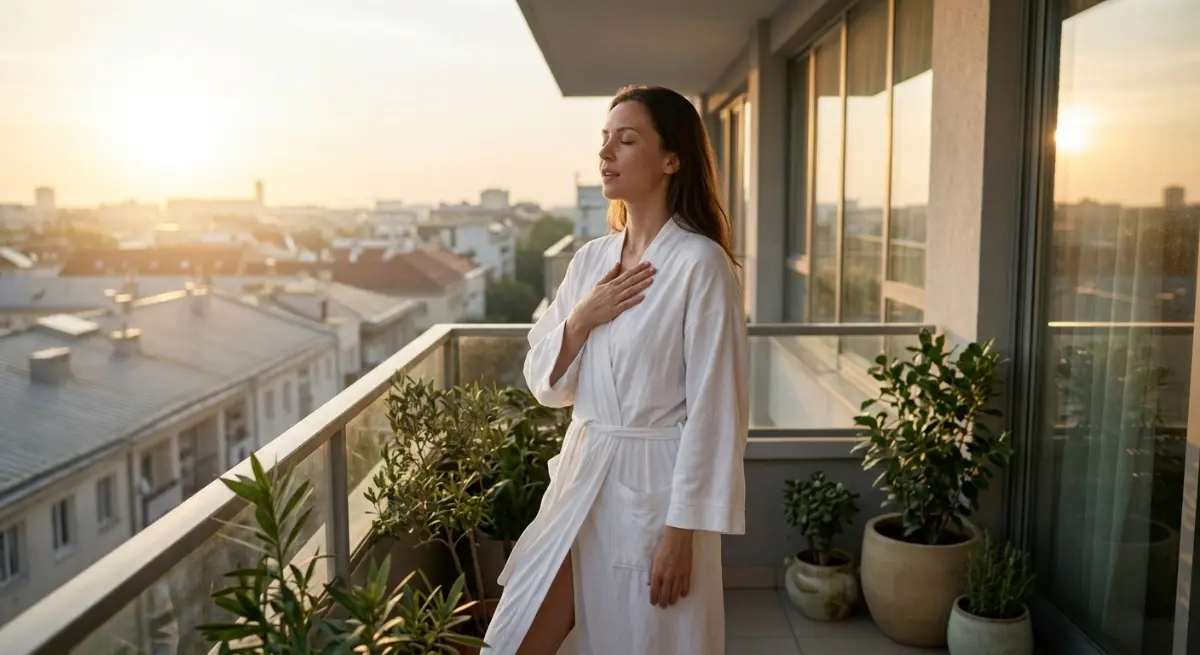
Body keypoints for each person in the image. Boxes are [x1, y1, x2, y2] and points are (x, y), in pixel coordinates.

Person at [482, 85, 749, 655]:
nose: (606, 153)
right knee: (513, 638)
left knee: (642, 641)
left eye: (626, 141)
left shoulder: (701, 266)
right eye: (604, 140)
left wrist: (683, 532)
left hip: (654, 489)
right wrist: (582, 318)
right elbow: (545, 383)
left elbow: (716, 411)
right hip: (583, 480)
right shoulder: (591, 262)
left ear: (672, 160)